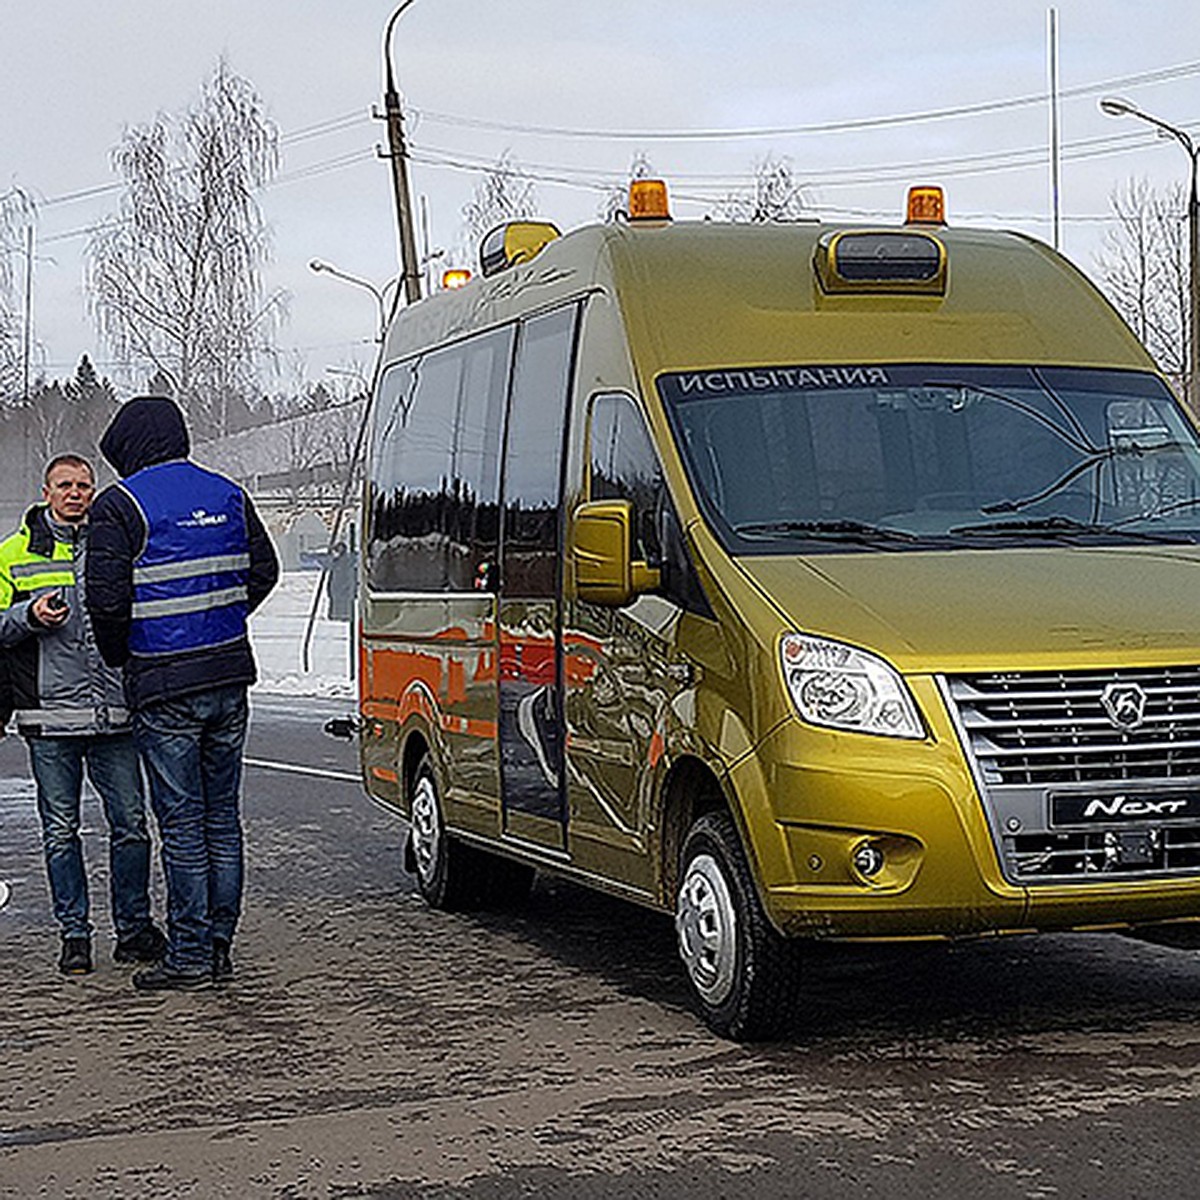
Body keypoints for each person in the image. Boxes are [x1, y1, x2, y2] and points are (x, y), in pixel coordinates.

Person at [85, 397, 279, 991]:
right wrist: (221, 621)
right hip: (228, 677)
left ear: (130, 450)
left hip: (164, 682)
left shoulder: (119, 505)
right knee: (223, 817)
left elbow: (107, 601)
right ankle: (220, 945)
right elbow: (264, 570)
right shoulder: (228, 493)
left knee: (181, 823)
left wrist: (126, 657)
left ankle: (190, 953)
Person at [0, 454, 165, 975]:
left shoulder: (115, 546)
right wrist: (29, 615)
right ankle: (74, 935)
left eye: (84, 485)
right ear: (46, 490)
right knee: (60, 831)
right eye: (66, 485)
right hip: (48, 717)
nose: (76, 493)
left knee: (133, 826)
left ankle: (134, 929)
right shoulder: (13, 553)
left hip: (114, 711)